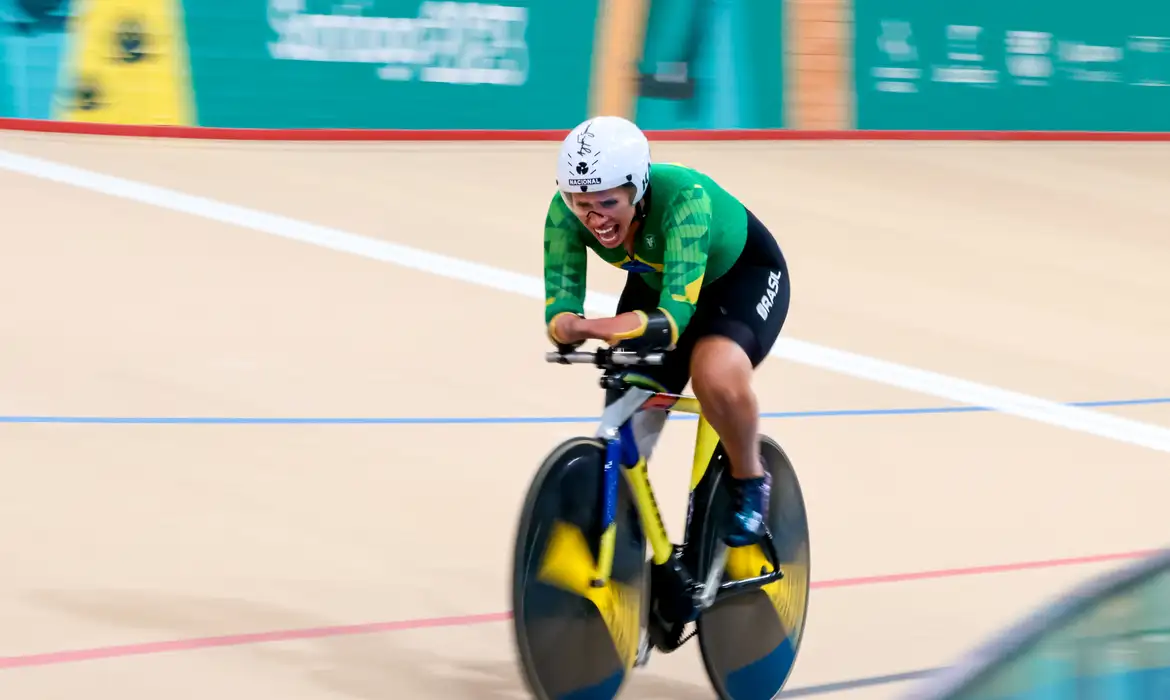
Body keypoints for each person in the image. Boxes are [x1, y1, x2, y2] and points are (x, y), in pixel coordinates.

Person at [543, 115, 791, 549]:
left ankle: (750, 479)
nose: (593, 217)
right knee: (627, 418)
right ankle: (629, 545)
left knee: (713, 373)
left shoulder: (684, 199)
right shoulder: (565, 214)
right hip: (658, 282)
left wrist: (591, 327)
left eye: (606, 202)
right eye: (580, 202)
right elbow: (560, 304)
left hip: (740, 279)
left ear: (637, 189)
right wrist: (566, 323)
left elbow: (674, 317)